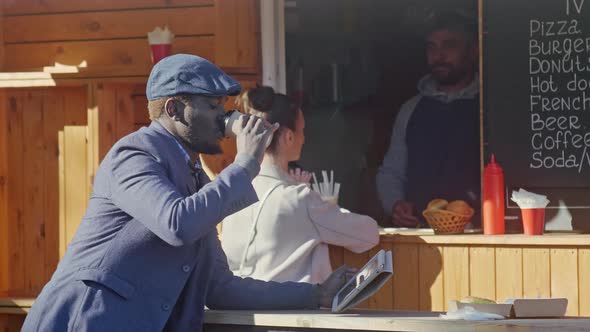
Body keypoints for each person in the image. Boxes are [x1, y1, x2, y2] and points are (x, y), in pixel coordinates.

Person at [22, 54, 354, 332]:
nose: (223, 118)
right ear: (174, 110)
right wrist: (246, 164)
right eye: (212, 106)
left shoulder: (194, 181)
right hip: (85, 321)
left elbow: (221, 288)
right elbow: (176, 224)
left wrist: (317, 295)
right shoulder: (135, 154)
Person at [221, 86, 379, 284]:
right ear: (288, 136)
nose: (303, 138)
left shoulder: (233, 193)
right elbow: (369, 234)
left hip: (240, 310)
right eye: (302, 131)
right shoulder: (299, 199)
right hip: (291, 312)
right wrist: (324, 204)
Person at [376, 12, 480, 228]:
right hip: (423, 239)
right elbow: (391, 172)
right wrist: (395, 204)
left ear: (473, 51)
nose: (438, 55)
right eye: (432, 47)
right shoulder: (411, 109)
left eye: (449, 46)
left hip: (483, 236)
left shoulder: (489, 106)